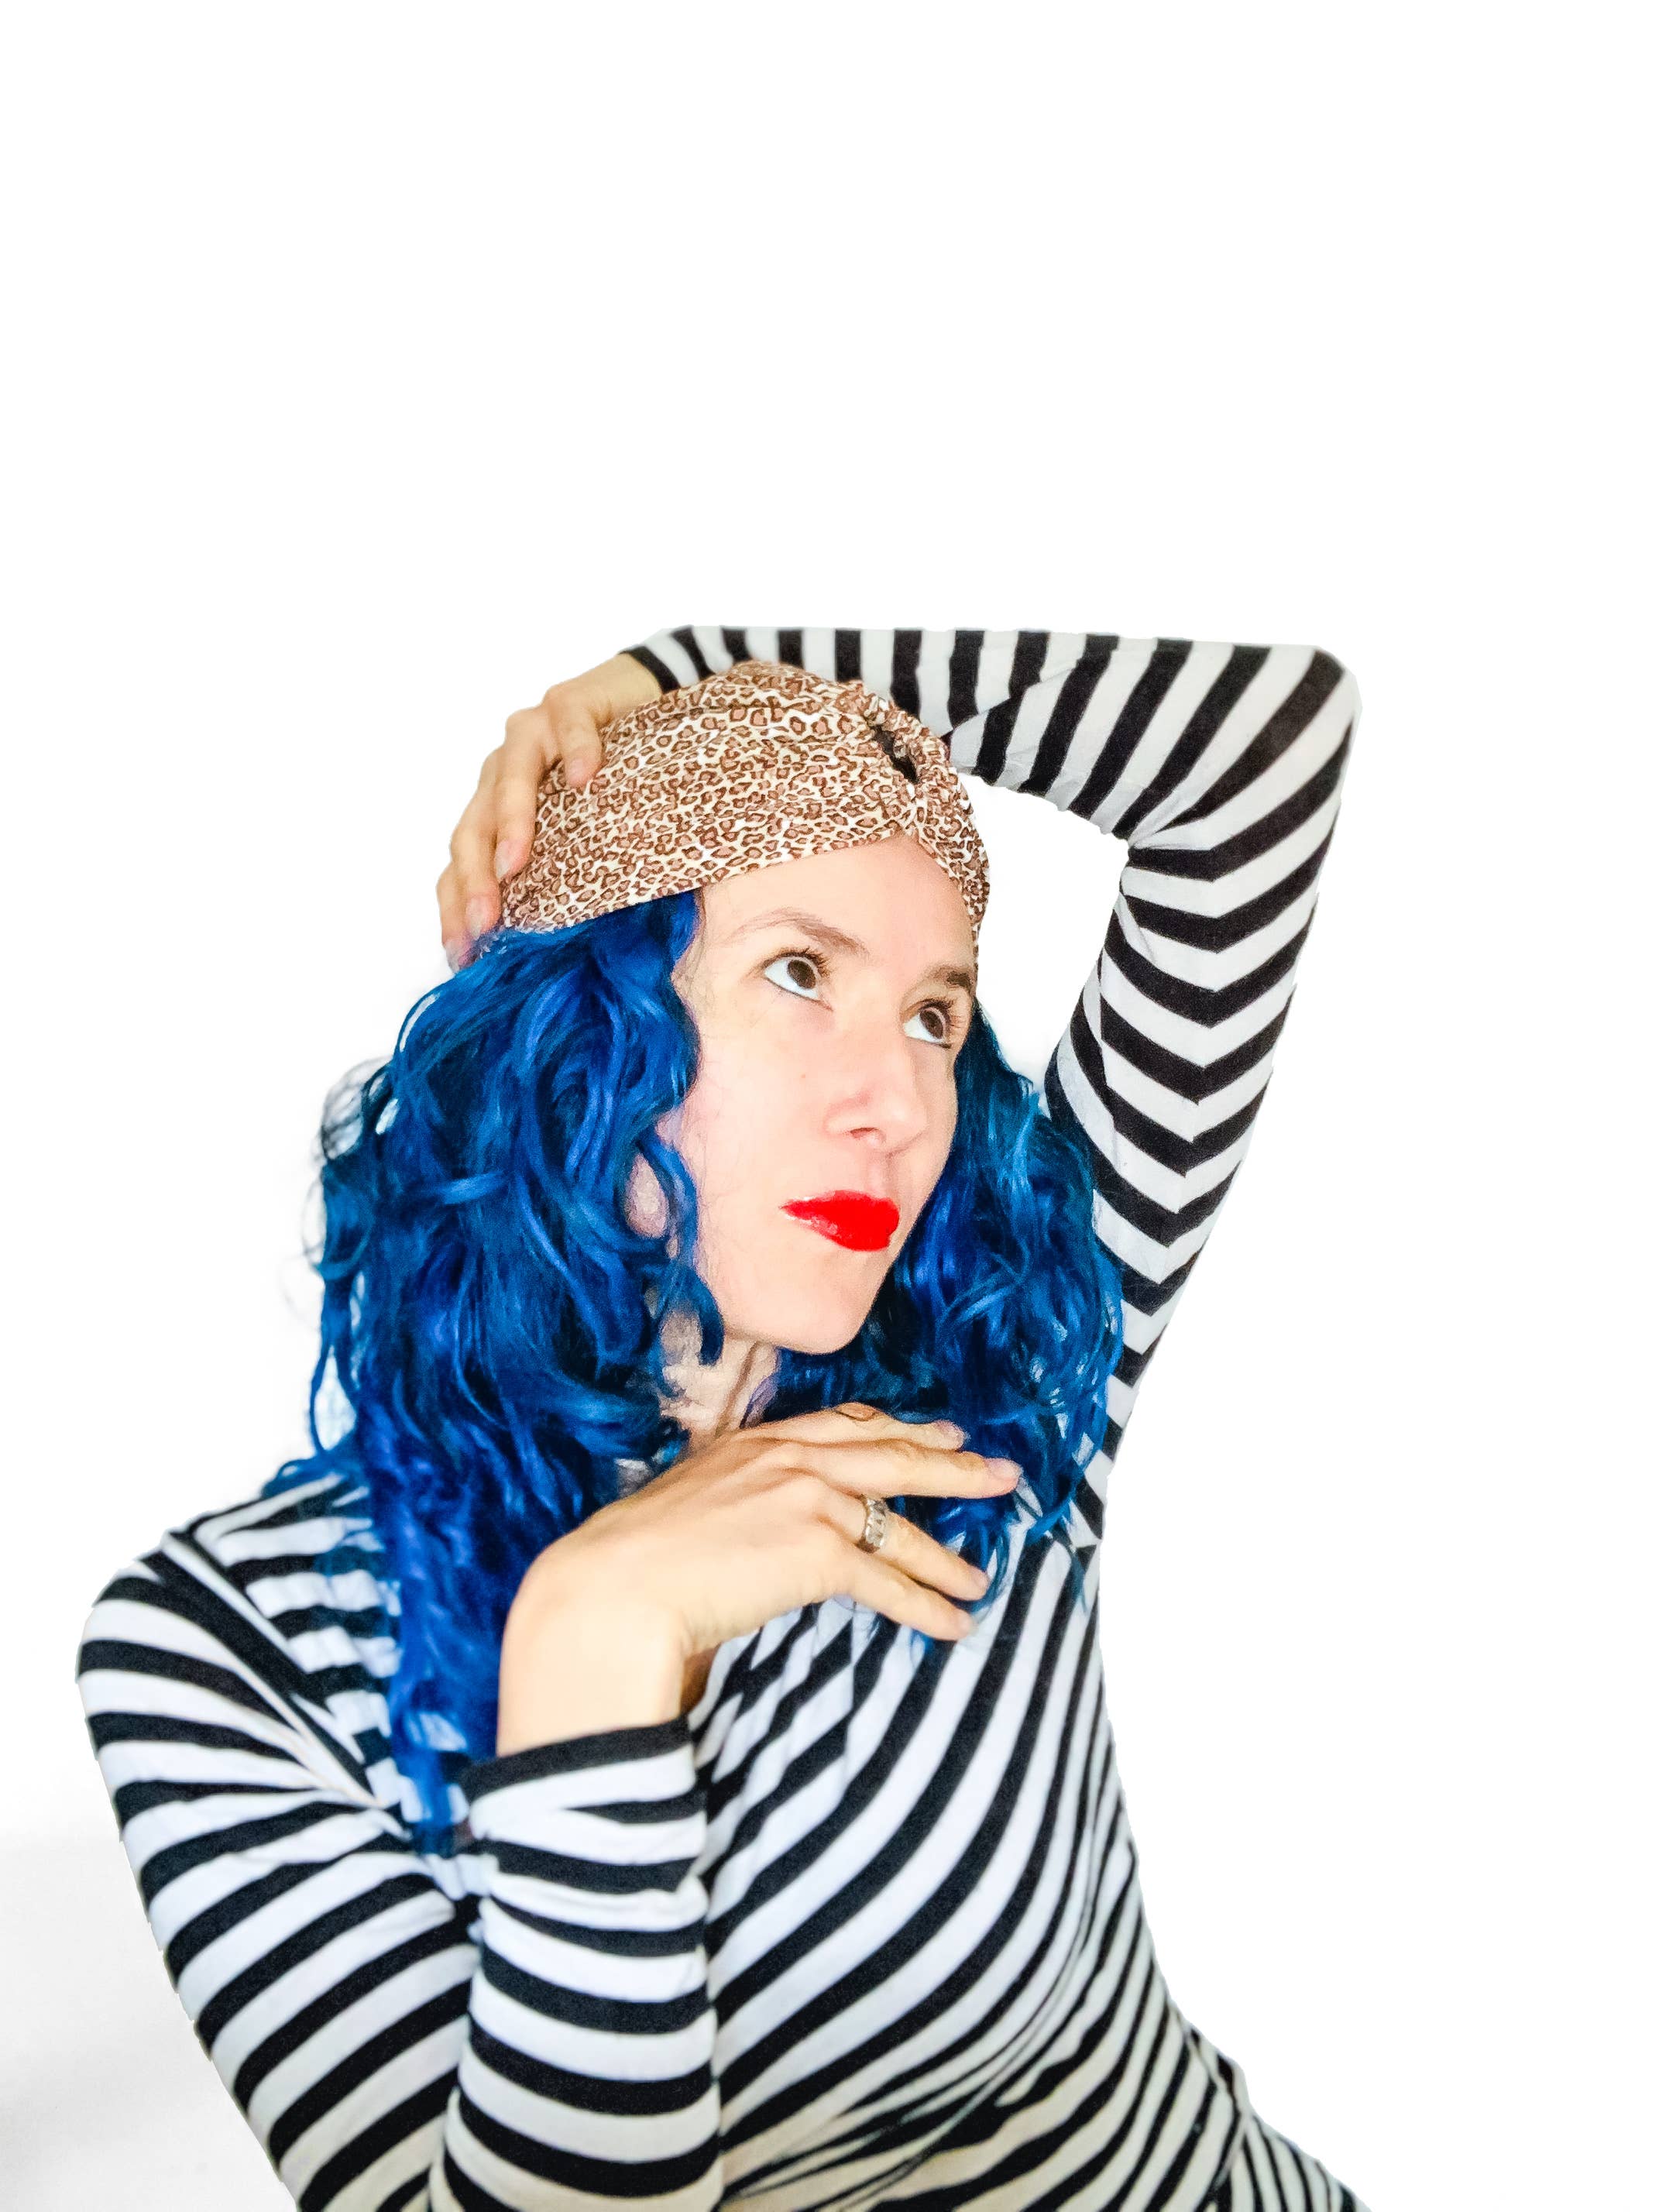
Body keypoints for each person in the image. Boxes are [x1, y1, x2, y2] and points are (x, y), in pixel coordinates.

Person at [77, 627, 1366, 2210]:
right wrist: (595, 1641)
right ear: (575, 1033)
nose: (896, 1103)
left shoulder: (1005, 1386)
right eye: (800, 973)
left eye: (935, 1015)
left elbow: (1258, 747)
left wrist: (694, 671)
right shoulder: (225, 1647)